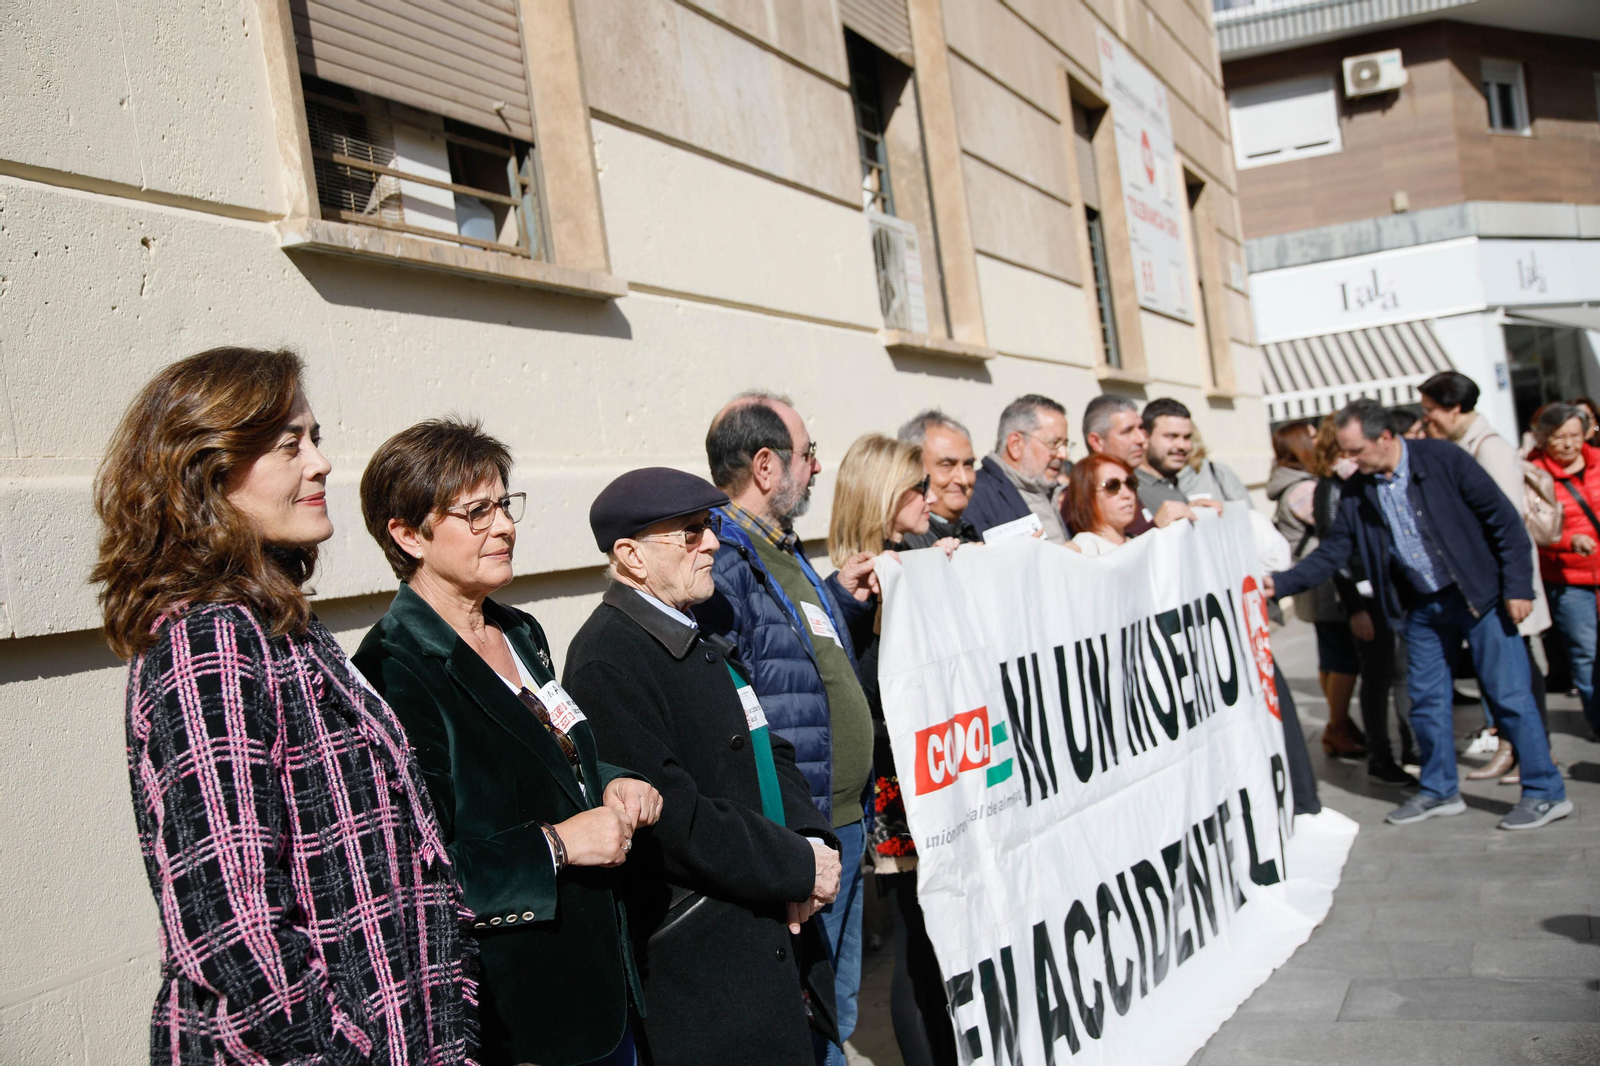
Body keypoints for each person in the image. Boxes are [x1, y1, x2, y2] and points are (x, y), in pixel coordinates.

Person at [93, 348, 478, 1065]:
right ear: (207, 472)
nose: (321, 463)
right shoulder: (209, 639)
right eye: (288, 444)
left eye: (316, 438)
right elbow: (232, 927)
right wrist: (337, 1049)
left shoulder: (275, 624)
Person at [354, 418, 661, 1066]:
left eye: (503, 504)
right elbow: (415, 872)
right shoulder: (393, 671)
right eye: (475, 511)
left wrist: (610, 778)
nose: (502, 526)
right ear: (407, 534)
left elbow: (549, 757)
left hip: (606, 988)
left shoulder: (519, 630)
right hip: (521, 1020)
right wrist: (558, 844)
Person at [564, 467, 843, 1066]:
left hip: (779, 937)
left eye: (709, 525)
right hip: (710, 973)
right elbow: (674, 822)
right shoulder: (606, 658)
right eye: (689, 533)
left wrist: (811, 839)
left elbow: (772, 749)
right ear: (631, 556)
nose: (712, 542)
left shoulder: (695, 627)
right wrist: (795, 865)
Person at [1266, 398, 1571, 830]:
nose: (1349, 461)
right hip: (1420, 607)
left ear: (1385, 438)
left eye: (1356, 451)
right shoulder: (1358, 490)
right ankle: (1439, 789)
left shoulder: (1445, 459)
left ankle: (1545, 791)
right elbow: (1335, 550)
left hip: (1478, 597)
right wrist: (1280, 584)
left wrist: (1518, 587)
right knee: (1425, 702)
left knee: (1510, 696)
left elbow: (1504, 522)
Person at [697, 392, 878, 1066]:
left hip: (846, 818)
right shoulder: (723, 559)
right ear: (767, 466)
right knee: (812, 1015)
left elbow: (788, 654)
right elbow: (734, 702)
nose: (820, 467)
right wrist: (790, 839)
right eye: (809, 454)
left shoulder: (780, 547)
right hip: (806, 831)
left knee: (843, 1002)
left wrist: (837, 599)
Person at [827, 435, 959, 1066]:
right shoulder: (860, 581)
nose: (930, 497)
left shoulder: (917, 556)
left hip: (944, 766)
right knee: (918, 939)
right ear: (884, 496)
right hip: (897, 784)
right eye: (916, 487)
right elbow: (869, 688)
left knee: (945, 931)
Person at [1417, 370, 1552, 782]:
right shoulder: (1460, 444)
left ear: (1454, 408)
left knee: (1521, 670)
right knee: (1503, 671)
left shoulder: (1488, 448)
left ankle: (1531, 752)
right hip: (1486, 582)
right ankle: (1513, 748)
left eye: (1430, 411)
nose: (1426, 420)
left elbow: (1505, 522)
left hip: (1504, 582)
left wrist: (1511, 585)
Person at [1527, 403, 1600, 738]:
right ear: (1542, 439)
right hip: (1568, 580)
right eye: (1559, 438)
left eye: (1574, 435)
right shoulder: (1531, 475)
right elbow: (1531, 528)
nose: (1569, 444)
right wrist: (1569, 540)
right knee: (1585, 655)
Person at [1083, 393, 1212, 532]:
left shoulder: (1138, 480)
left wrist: (1196, 512)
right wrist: (1156, 527)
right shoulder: (1082, 491)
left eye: (1140, 429)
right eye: (1127, 431)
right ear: (1096, 442)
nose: (1140, 439)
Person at [963, 394, 1071, 542]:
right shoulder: (975, 496)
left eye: (1065, 445)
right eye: (1054, 443)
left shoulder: (1053, 491)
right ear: (1015, 444)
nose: (1063, 454)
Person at [1140, 397, 1251, 507]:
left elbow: (1250, 517)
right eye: (1172, 436)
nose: (1182, 445)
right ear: (1144, 437)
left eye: (1187, 437)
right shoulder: (1132, 490)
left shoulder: (1212, 472)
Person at [897, 409, 982, 548]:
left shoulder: (969, 529)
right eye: (947, 465)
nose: (963, 479)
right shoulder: (904, 542)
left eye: (968, 465)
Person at [1066, 453, 1143, 555]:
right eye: (1112, 486)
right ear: (1087, 496)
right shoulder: (1085, 547)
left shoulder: (1139, 541)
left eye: (1130, 483)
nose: (1127, 494)